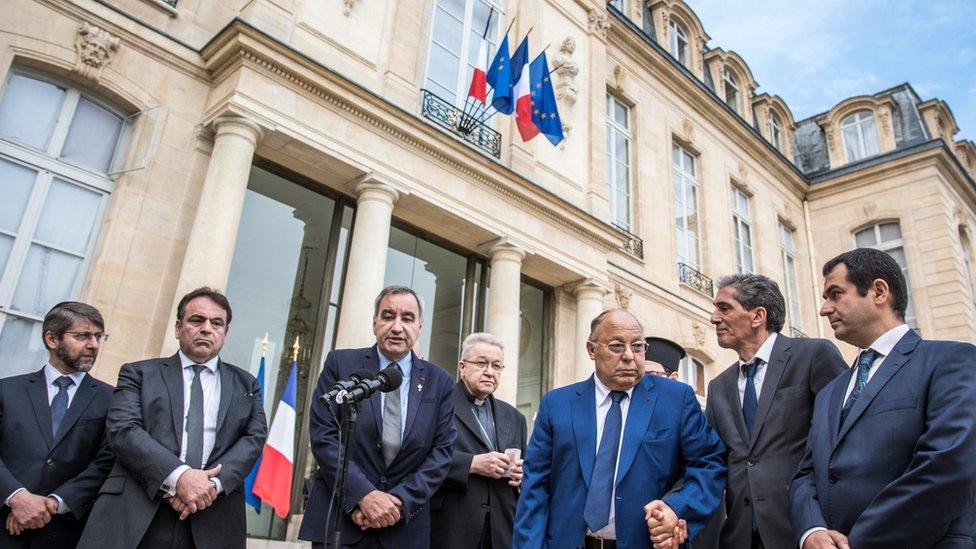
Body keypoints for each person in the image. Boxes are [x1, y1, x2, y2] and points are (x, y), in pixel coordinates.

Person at [790, 248, 976, 548]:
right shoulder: (829, 393)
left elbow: (948, 466)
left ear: (878, 291)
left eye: (835, 294)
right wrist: (811, 531)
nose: (824, 309)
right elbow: (806, 473)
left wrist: (858, 542)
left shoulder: (951, 361)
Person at [513, 309, 725, 549]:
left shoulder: (676, 400)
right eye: (616, 346)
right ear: (592, 349)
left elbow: (709, 464)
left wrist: (677, 508)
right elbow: (535, 488)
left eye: (637, 347)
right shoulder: (557, 405)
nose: (629, 356)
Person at [78, 287, 267, 549]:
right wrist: (180, 478)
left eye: (217, 323)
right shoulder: (139, 374)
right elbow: (124, 430)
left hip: (213, 517)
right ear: (178, 328)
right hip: (137, 511)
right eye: (197, 320)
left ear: (225, 333)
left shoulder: (247, 384)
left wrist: (208, 486)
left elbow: (254, 438)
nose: (206, 328)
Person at [300, 285, 456, 548]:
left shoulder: (439, 381)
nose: (397, 327)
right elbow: (323, 435)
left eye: (407, 318)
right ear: (374, 323)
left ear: (420, 327)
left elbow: (442, 452)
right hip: (342, 521)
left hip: (403, 528)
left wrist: (397, 502)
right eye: (387, 316)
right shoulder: (341, 364)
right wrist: (364, 495)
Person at [703, 274, 846, 549]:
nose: (713, 318)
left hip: (807, 533)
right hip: (740, 538)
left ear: (758, 316)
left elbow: (845, 439)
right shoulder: (718, 386)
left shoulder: (814, 356)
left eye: (724, 308)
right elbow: (712, 462)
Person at [0, 302, 114, 547]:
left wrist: (51, 504)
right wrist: (17, 498)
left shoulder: (113, 399)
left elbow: (106, 463)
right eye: (82, 336)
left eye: (98, 336)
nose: (93, 345)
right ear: (52, 339)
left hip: (63, 533)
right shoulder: (7, 390)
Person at [430, 333, 528, 549]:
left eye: (497, 366)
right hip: (452, 526)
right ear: (462, 367)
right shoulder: (436, 405)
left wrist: (522, 476)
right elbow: (421, 458)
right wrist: (472, 464)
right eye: (481, 363)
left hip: (501, 529)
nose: (490, 372)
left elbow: (528, 472)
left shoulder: (515, 417)